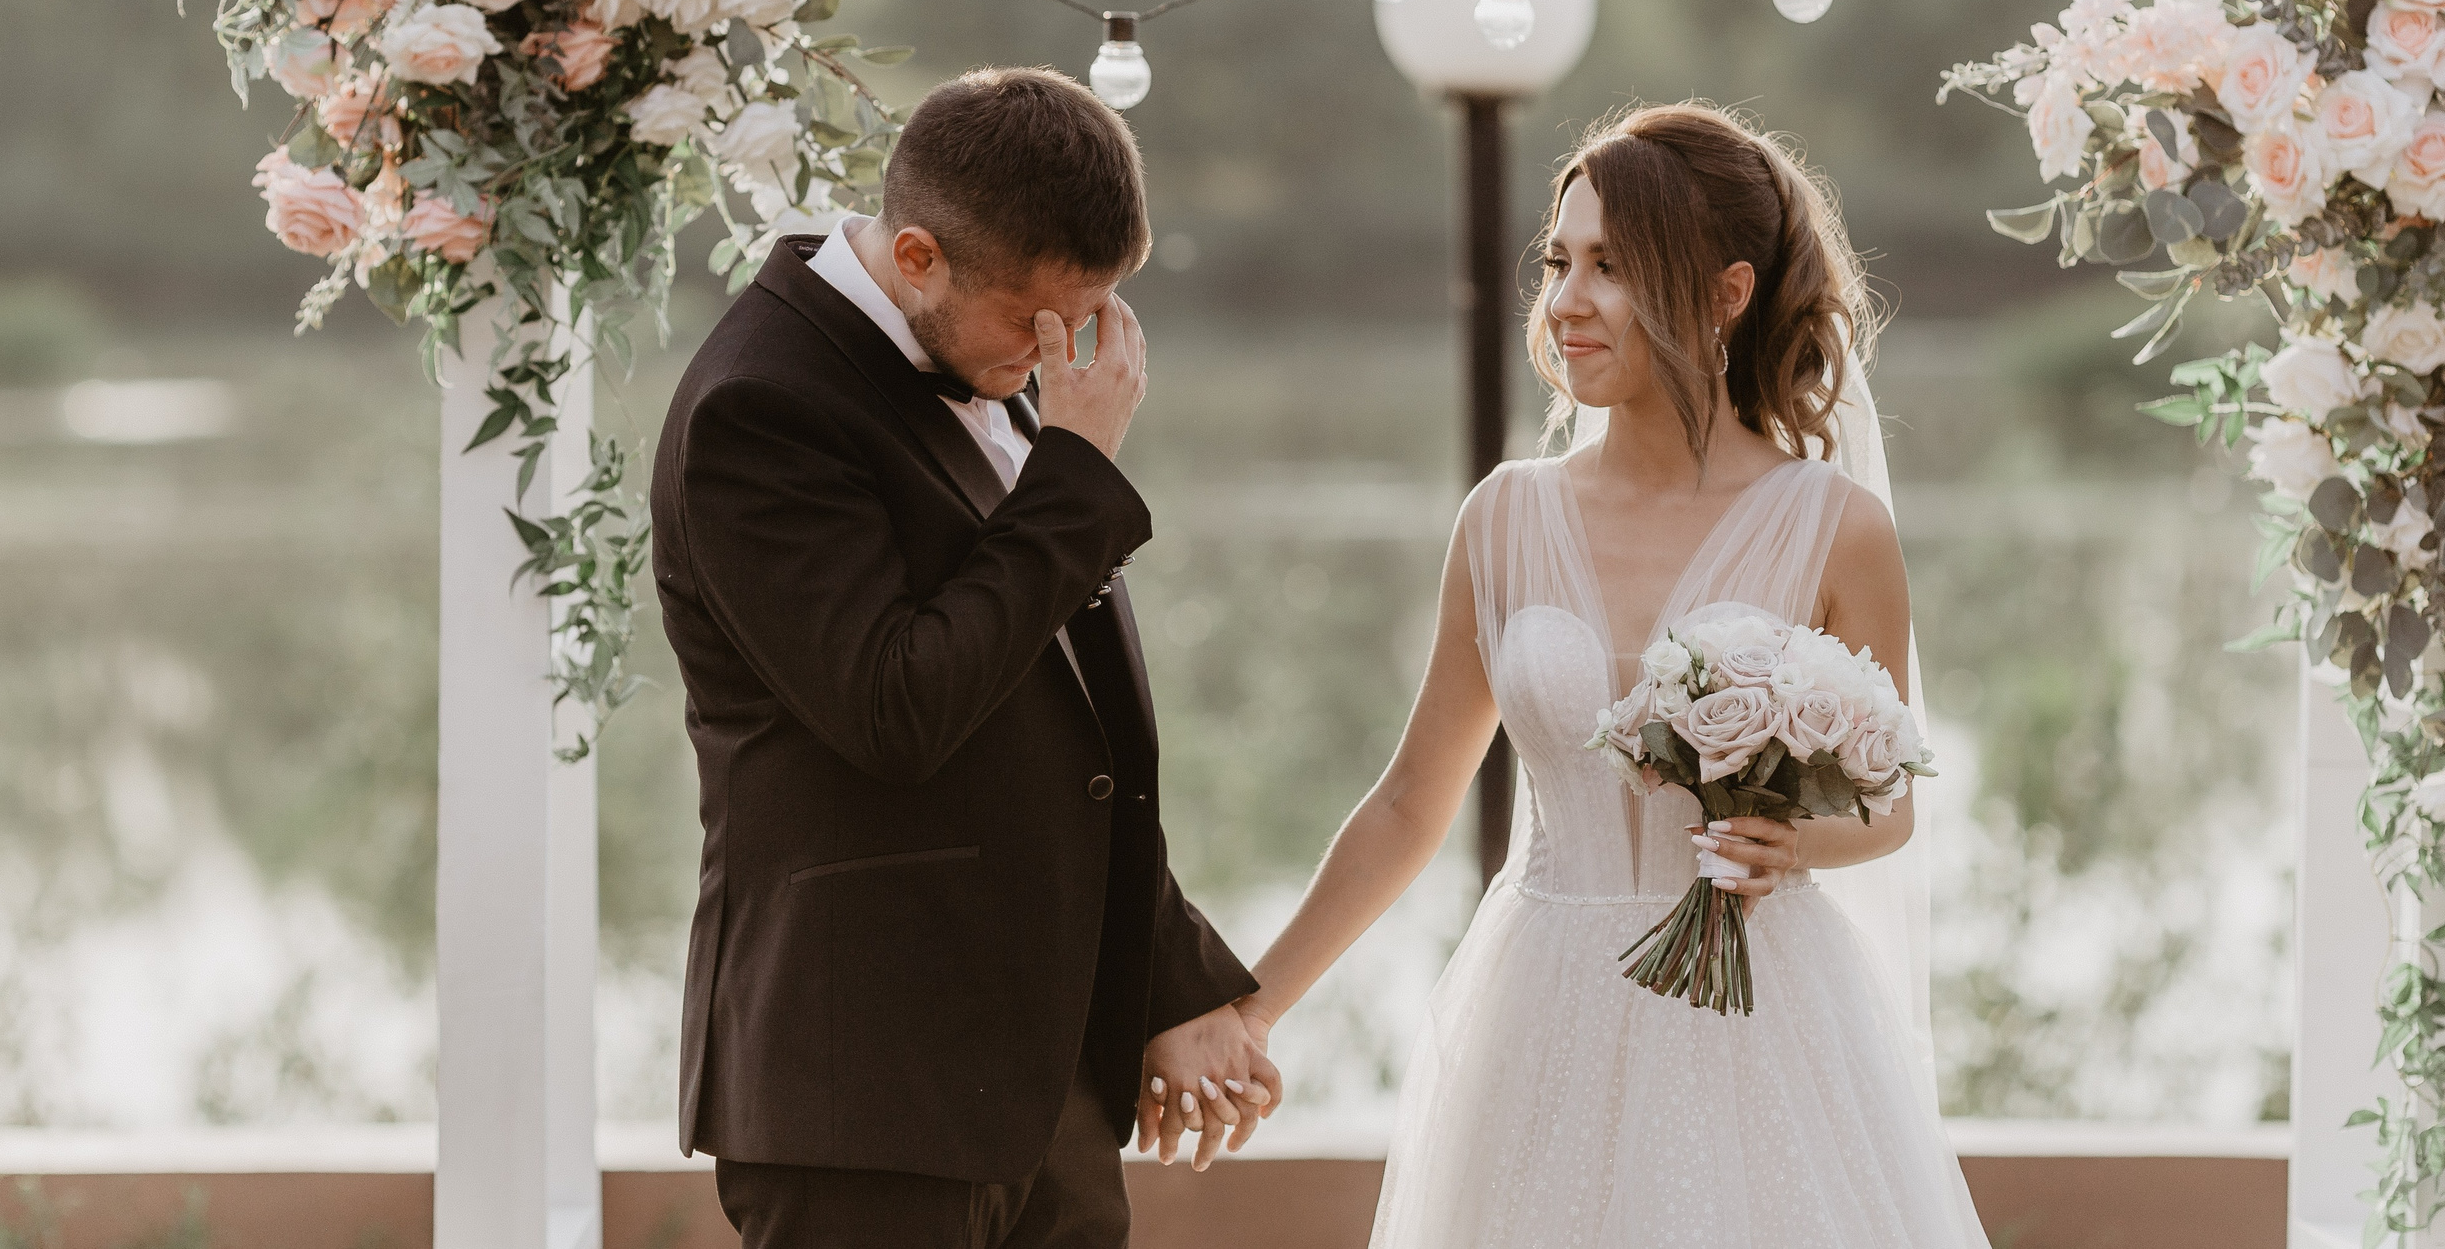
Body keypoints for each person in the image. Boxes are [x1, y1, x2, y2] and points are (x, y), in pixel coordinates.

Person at [1232, 104, 1991, 1246]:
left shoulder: (1836, 528)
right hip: (1543, 1014)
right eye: (1560, 262)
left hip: (1760, 1017)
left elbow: (1887, 808)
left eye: (1614, 268)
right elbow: (1407, 803)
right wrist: (1249, 1011)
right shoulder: (1503, 518)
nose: (1568, 301)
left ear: (1728, 293)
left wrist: (1791, 844)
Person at [650, 66, 1274, 1249]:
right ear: (920, 257)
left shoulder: (994, 371)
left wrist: (1168, 978)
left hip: (1041, 1085)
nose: (1062, 354)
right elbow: (898, 707)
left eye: (1088, 317)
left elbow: (1060, 734)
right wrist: (1076, 477)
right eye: (1036, 319)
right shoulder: (759, 408)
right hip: (864, 1099)